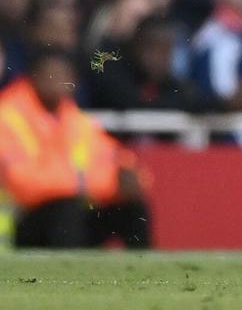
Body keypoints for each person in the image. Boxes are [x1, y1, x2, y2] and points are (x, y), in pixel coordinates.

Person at [0, 47, 151, 248]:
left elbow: (117, 161)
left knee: (132, 208)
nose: (59, 81)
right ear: (33, 76)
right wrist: (92, 185)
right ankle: (64, 273)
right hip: (20, 223)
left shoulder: (74, 119)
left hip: (68, 215)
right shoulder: (8, 116)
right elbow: (25, 184)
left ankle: (143, 274)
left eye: (65, 75)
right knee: (67, 209)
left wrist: (133, 179)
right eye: (52, 74)